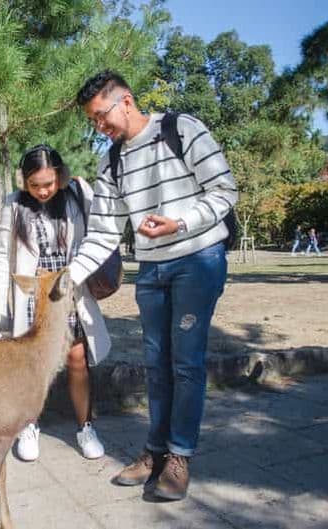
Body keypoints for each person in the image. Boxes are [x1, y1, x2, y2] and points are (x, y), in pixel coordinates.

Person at [70, 71, 236, 501]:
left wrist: (180, 222)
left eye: (101, 116)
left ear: (125, 100)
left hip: (197, 259)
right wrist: (66, 280)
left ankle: (179, 456)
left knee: (186, 362)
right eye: (93, 122)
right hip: (151, 269)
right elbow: (103, 233)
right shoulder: (112, 162)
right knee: (156, 364)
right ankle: (154, 451)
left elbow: (224, 191)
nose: (99, 127)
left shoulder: (181, 129)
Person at [0, 144, 111, 462]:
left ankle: (85, 427)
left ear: (60, 176)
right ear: (24, 182)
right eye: (35, 185)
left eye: (49, 183)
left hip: (70, 295)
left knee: (77, 360)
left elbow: (103, 231)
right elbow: (2, 258)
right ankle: (29, 426)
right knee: (32, 368)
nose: (43, 191)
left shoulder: (77, 195)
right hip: (32, 297)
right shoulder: (14, 205)